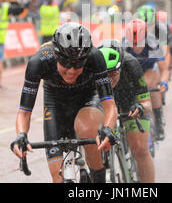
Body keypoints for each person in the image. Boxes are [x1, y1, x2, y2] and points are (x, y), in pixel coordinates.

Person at [11, 23, 117, 183]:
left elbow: (109, 105)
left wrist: (108, 129)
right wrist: (21, 135)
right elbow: (24, 112)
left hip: (87, 97)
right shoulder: (38, 61)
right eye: (66, 64)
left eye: (78, 65)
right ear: (56, 56)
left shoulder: (95, 57)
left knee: (87, 130)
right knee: (57, 178)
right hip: (55, 101)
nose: (72, 71)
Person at [98, 39, 155, 183]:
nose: (109, 80)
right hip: (105, 101)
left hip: (131, 99)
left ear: (121, 67)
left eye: (113, 74)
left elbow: (147, 103)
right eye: (105, 75)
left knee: (140, 150)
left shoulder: (131, 64)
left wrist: (141, 108)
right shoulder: (92, 66)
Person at [122, 18, 169, 141]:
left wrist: (163, 82)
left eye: (139, 43)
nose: (136, 47)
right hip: (130, 72)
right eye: (133, 43)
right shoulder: (124, 45)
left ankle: (158, 121)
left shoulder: (152, 43)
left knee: (150, 85)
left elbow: (163, 68)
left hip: (148, 70)